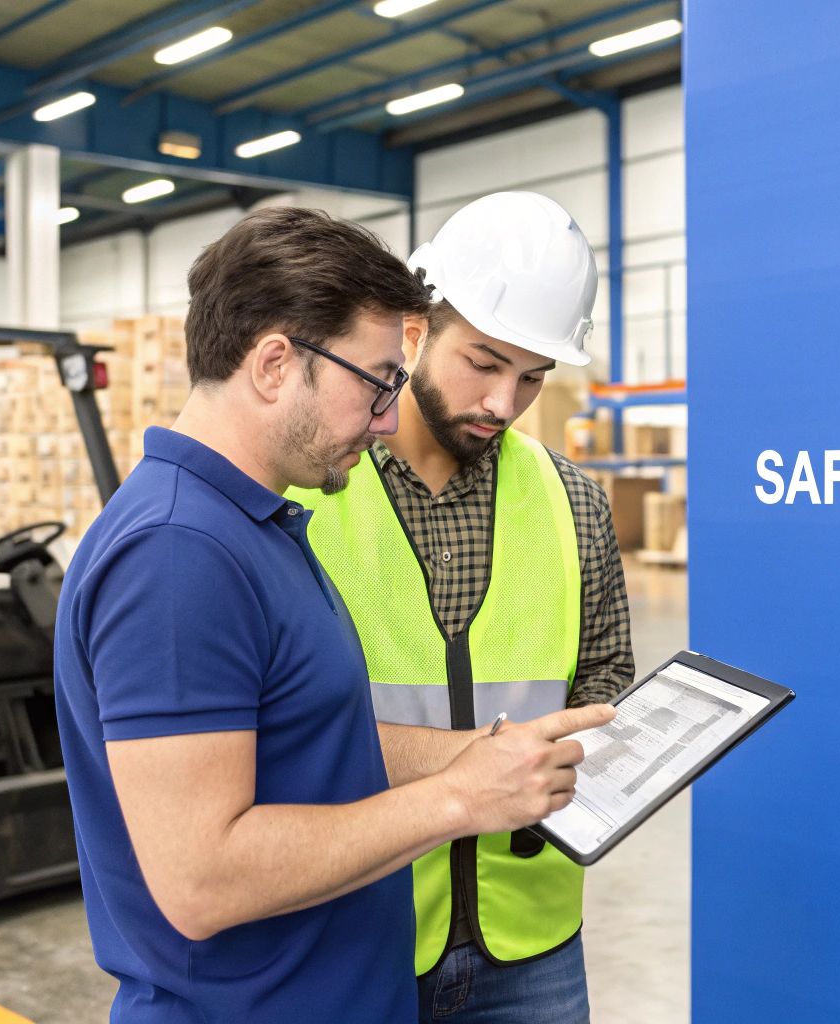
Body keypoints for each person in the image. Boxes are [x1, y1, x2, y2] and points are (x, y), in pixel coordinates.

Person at [53, 205, 616, 1023]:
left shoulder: (256, 527)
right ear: (276, 364)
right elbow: (202, 880)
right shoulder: (177, 557)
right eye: (376, 379)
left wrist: (480, 753)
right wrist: (461, 800)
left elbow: (315, 735)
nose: (390, 416)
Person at [288, 192, 634, 1022]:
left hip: (532, 935)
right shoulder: (307, 496)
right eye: (483, 363)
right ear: (415, 328)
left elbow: (605, 677)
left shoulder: (573, 501)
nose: (504, 404)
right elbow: (277, 728)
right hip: (360, 925)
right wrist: (471, 760)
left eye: (532, 378)